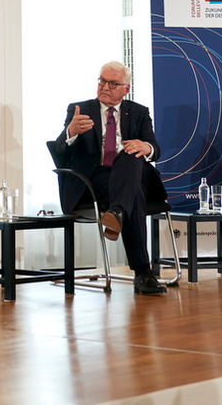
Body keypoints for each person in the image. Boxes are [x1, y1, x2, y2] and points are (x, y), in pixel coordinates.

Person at [49, 61, 168, 296]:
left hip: (133, 175)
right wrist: (71, 132)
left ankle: (116, 213)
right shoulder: (79, 110)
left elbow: (155, 148)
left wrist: (144, 146)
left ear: (126, 88)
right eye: (101, 81)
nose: (105, 87)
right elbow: (60, 152)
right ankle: (142, 272)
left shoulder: (139, 112)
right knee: (134, 195)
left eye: (112, 83)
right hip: (96, 181)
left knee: (132, 155)